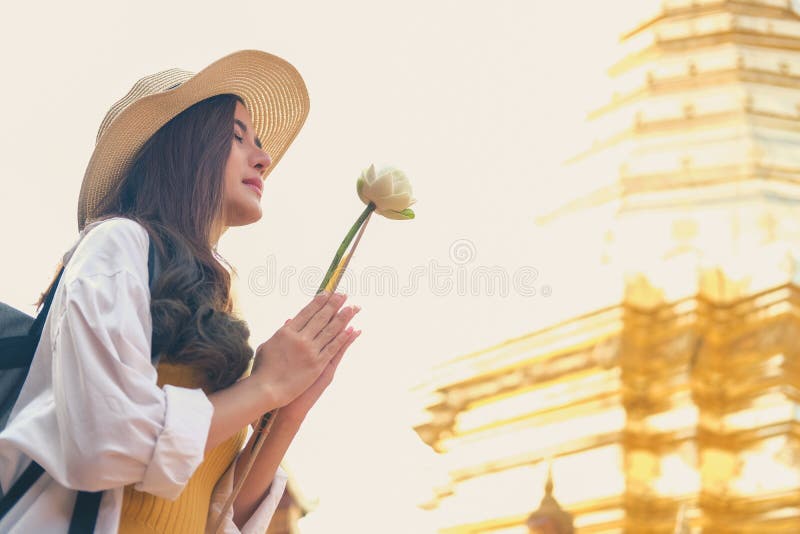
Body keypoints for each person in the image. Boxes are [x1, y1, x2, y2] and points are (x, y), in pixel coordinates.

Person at [0, 50, 362, 533]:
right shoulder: (118, 243)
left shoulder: (218, 307)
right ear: (183, 148)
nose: (264, 157)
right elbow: (103, 444)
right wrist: (264, 386)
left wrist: (287, 410)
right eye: (236, 137)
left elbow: (213, 515)